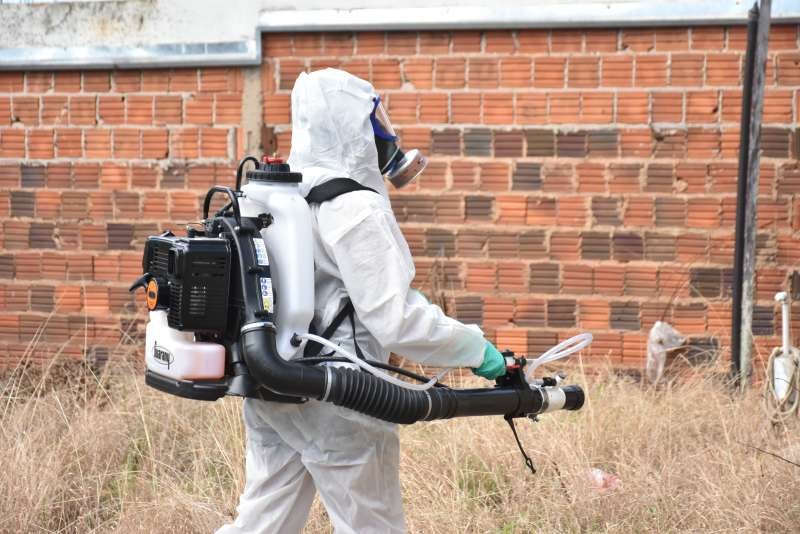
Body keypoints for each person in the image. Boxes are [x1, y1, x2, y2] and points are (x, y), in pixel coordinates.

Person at [217, 68, 506, 534]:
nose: (383, 134)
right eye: (375, 119)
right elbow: (397, 322)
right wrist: (478, 351)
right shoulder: (354, 207)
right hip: (340, 397)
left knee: (262, 523)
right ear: (351, 125)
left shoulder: (272, 195)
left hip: (272, 384)